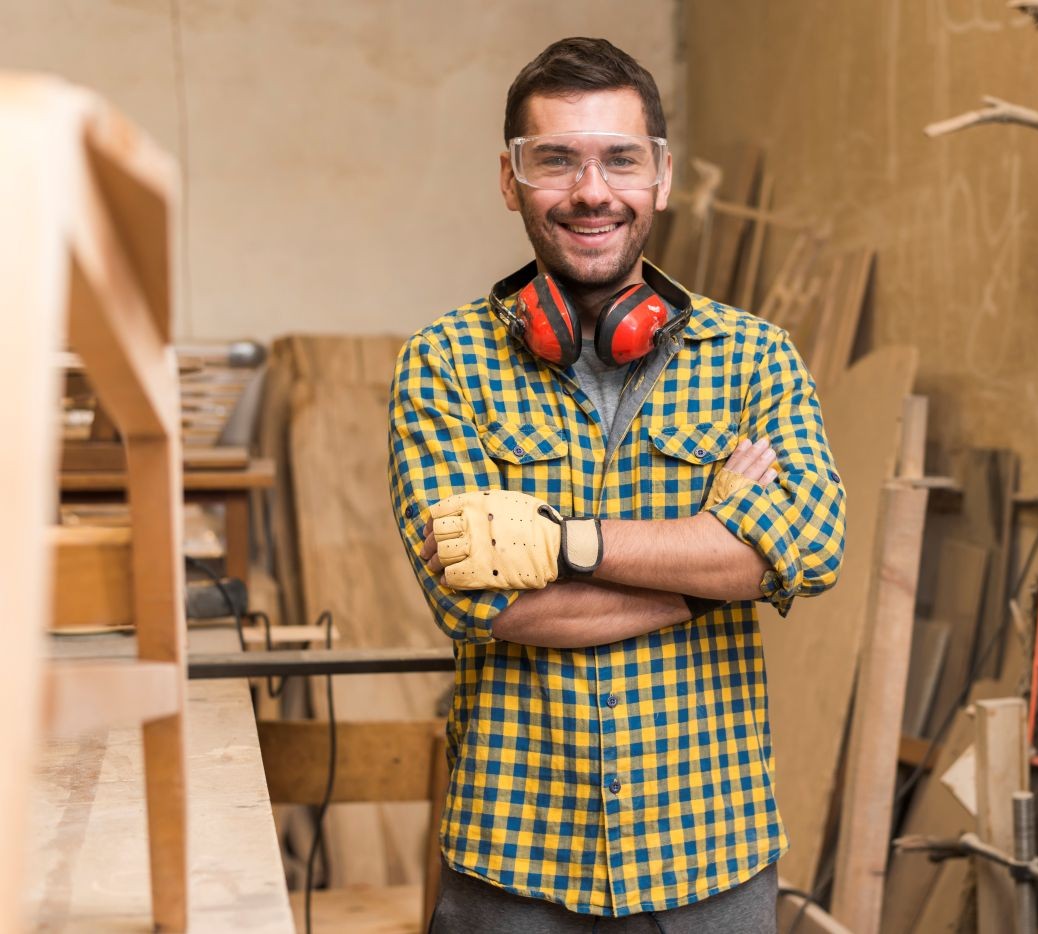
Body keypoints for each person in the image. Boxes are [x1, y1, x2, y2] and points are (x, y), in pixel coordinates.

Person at [388, 36, 846, 933]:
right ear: (511, 180)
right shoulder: (442, 363)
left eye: (621, 159)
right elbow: (479, 603)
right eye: (556, 159)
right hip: (514, 865)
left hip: (710, 860)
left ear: (661, 177)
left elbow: (810, 547)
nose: (591, 191)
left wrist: (561, 544)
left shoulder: (753, 356)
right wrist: (711, 575)